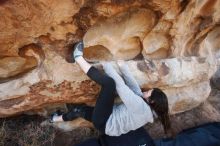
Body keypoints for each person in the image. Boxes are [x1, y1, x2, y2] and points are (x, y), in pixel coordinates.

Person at [50, 41, 170, 137]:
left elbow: (121, 88)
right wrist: (123, 67)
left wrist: (106, 64)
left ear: (152, 101)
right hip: (106, 123)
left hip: (106, 121)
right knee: (80, 110)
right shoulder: (146, 107)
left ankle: (77, 57)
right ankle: (55, 118)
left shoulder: (142, 108)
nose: (146, 91)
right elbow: (134, 88)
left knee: (109, 84)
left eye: (149, 93)